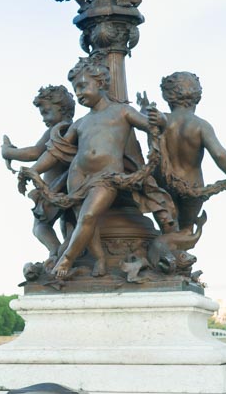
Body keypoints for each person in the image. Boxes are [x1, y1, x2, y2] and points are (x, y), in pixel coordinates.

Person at [28, 58, 163, 279]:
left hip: (106, 177)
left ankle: (67, 259)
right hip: (77, 175)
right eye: (75, 89)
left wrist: (161, 119)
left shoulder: (122, 111)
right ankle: (99, 258)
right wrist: (33, 169)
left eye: (82, 86)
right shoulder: (81, 122)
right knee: (86, 221)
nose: (79, 93)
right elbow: (55, 151)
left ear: (101, 83)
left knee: (88, 217)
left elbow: (152, 126)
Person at [150, 71, 226, 231]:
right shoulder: (200, 125)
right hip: (192, 187)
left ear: (167, 97)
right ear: (198, 97)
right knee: (186, 231)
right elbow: (219, 154)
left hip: (162, 185)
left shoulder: (160, 122)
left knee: (167, 231)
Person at [1, 84, 76, 260]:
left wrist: (8, 152)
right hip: (69, 187)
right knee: (68, 224)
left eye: (46, 112)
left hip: (54, 188)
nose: (43, 118)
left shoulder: (57, 130)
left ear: (61, 108)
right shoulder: (74, 129)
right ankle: (65, 253)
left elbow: (35, 152)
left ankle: (55, 253)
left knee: (40, 226)